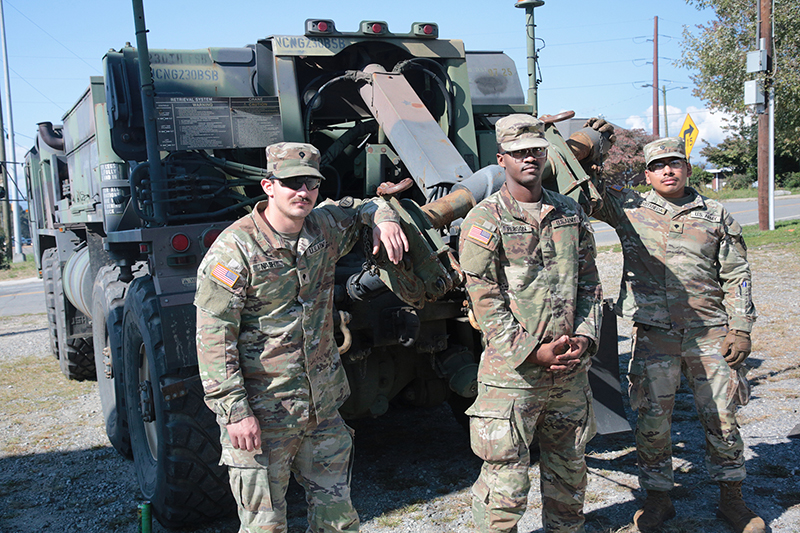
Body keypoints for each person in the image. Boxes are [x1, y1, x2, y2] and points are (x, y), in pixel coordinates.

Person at [194, 142, 408, 533]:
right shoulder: (234, 250)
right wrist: (235, 413)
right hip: (263, 414)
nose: (303, 192)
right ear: (268, 186)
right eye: (292, 182)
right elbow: (213, 338)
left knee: (338, 521)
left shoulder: (322, 227)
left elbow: (364, 205)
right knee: (265, 527)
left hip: (320, 409)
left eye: (310, 183)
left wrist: (385, 218)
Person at [593, 137, 763, 533]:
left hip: (710, 333)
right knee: (653, 422)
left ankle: (732, 501)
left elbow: (737, 273)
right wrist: (591, 151)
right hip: (655, 335)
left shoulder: (715, 214)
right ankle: (657, 501)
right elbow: (589, 189)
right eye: (659, 166)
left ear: (688, 169)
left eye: (676, 163)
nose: (668, 171)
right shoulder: (631, 208)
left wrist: (741, 327)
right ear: (647, 175)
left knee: (722, 418)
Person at [459, 114, 603, 533]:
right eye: (520, 152)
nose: (530, 159)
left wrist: (585, 337)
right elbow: (482, 297)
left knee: (569, 478)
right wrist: (532, 351)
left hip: (569, 374)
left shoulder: (569, 212)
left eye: (537, 151)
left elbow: (591, 281)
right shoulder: (485, 219)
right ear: (501, 159)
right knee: (506, 488)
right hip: (514, 377)